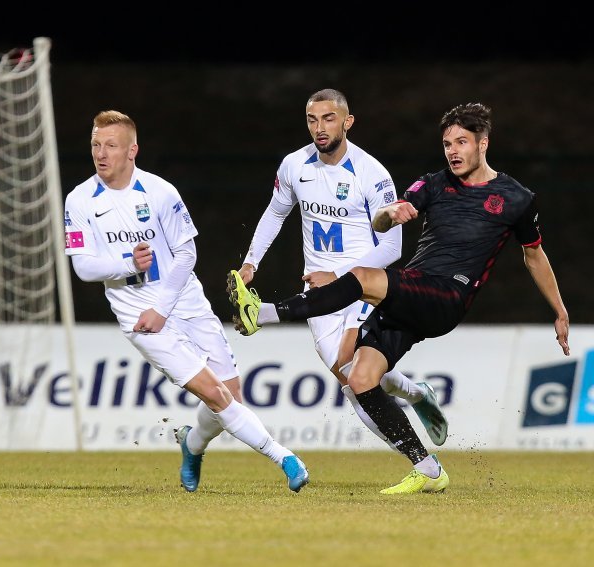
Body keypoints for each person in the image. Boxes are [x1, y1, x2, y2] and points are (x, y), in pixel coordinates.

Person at [228, 102, 570, 494]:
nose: (453, 151)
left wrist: (559, 311)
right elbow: (382, 221)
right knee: (359, 379)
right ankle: (427, 468)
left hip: (448, 295)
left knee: (359, 278)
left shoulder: (516, 198)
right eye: (446, 144)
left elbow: (534, 255)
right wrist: (391, 214)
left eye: (461, 142)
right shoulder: (434, 184)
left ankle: (268, 312)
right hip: (413, 292)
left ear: (483, 144)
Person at [65, 109, 309, 493]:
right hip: (138, 316)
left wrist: (163, 307)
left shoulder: (161, 192)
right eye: (96, 144)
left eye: (110, 145)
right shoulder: (79, 200)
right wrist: (125, 264)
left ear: (132, 150)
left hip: (183, 301)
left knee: (231, 396)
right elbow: (82, 267)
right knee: (215, 393)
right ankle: (286, 458)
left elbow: (186, 254)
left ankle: (191, 444)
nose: (101, 153)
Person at [232, 88, 448, 451]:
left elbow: (392, 247)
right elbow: (275, 212)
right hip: (319, 293)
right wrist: (251, 261)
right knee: (350, 382)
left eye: (329, 119)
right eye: (312, 120)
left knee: (354, 367)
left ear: (347, 122)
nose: (320, 127)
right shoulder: (294, 166)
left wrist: (340, 276)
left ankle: (423, 464)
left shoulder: (372, 174)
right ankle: (416, 393)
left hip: (363, 284)